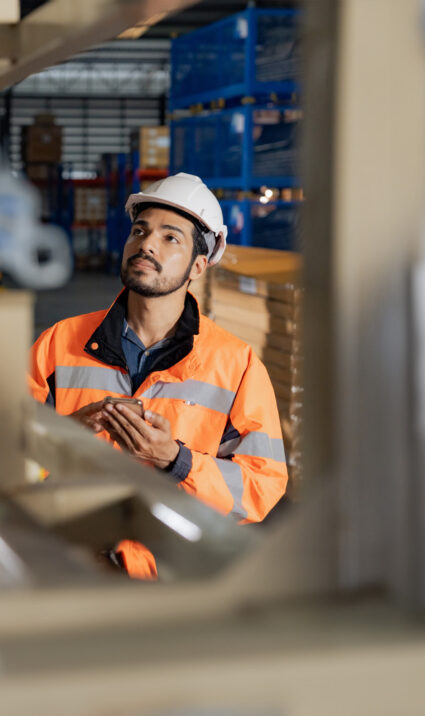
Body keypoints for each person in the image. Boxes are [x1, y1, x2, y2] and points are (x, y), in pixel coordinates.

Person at [28, 173, 287, 523]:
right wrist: (63, 437)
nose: (147, 245)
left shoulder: (236, 366)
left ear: (198, 265)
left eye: (170, 238)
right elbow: (1, 453)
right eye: (139, 231)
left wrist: (175, 461)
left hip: (169, 568)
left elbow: (261, 487)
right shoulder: (59, 343)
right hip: (73, 559)